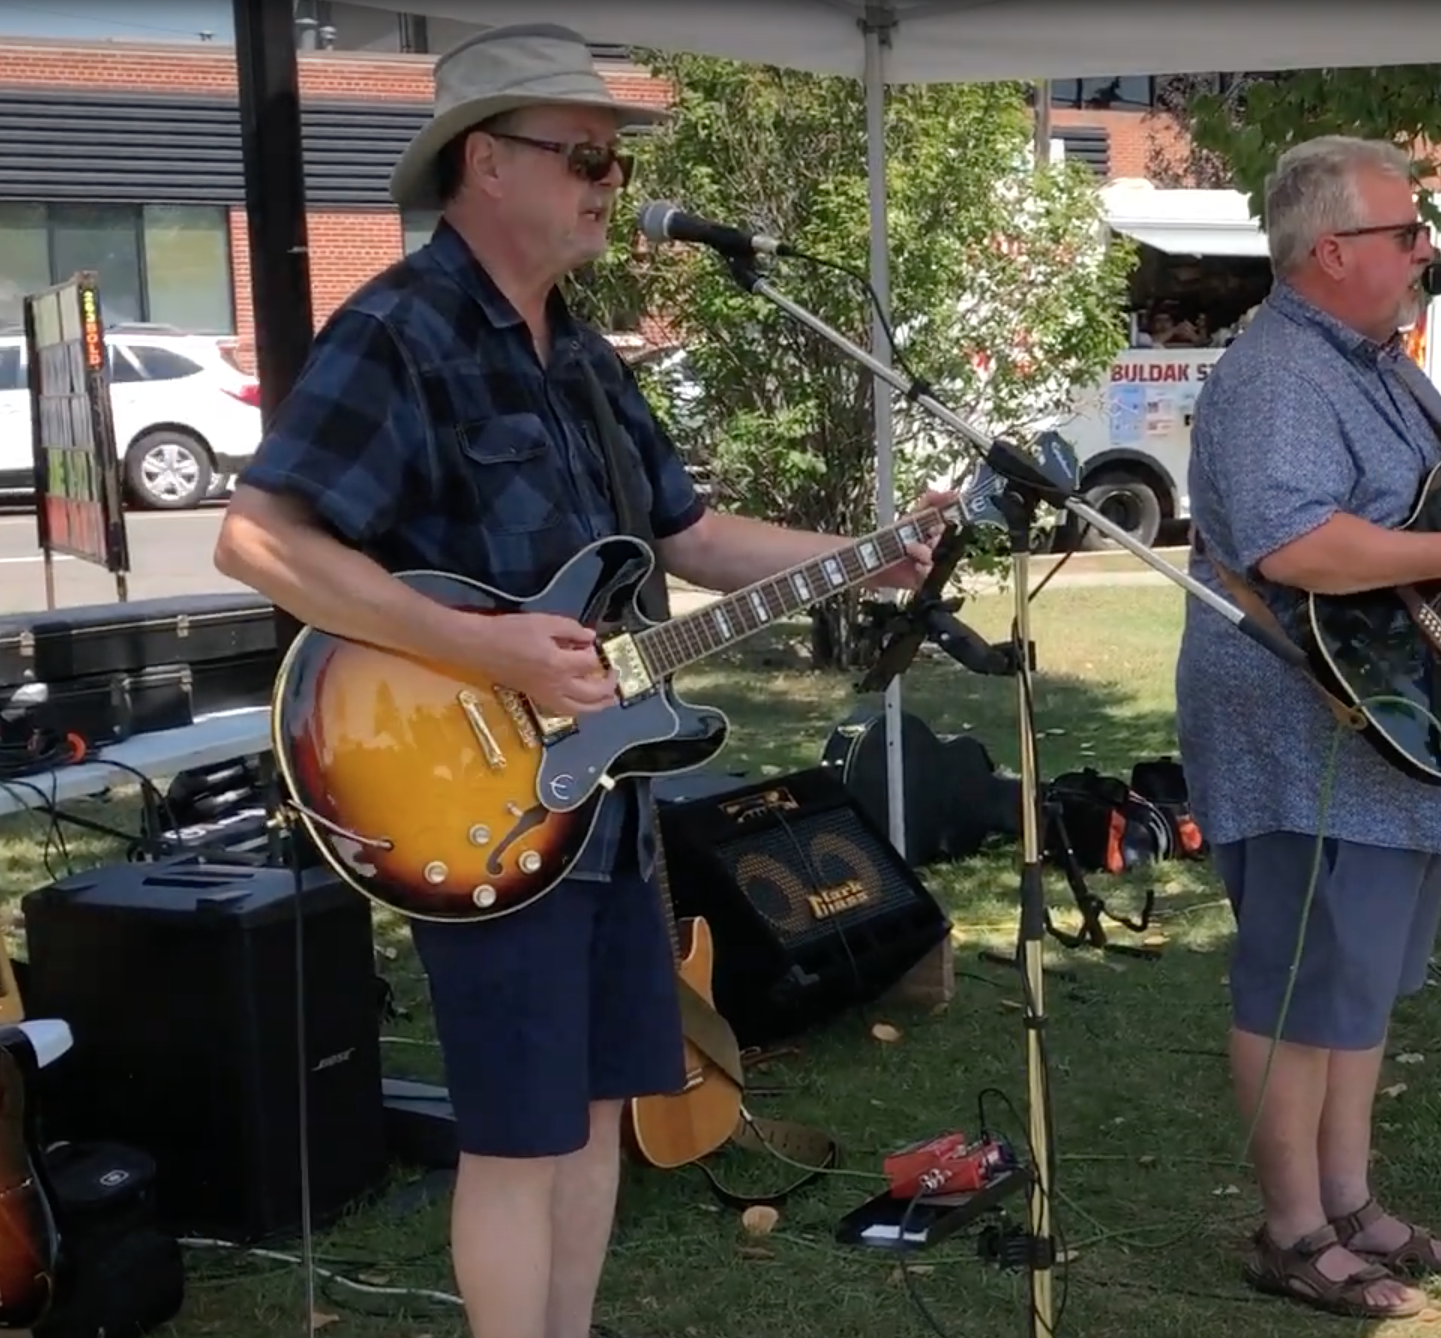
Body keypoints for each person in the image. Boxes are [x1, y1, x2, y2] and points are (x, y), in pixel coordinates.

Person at [211, 26, 938, 1338]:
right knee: (517, 1134)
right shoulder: (400, 330)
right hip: (469, 791)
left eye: (614, 158)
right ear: (485, 163)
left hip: (607, 808)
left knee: (598, 1103)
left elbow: (690, 540)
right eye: (585, 154)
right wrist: (480, 648)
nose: (611, 180)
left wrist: (869, 558)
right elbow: (259, 539)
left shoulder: (585, 358)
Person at [1176, 135, 1441, 1321]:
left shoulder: (1379, 363)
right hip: (1305, 728)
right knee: (1298, 981)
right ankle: (1290, 1229)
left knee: (1358, 985)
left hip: (1385, 724)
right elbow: (1292, 545)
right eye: (1407, 233)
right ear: (1331, 251)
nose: (1427, 250)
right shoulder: (1281, 369)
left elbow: (1423, 512)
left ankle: (1347, 1201)